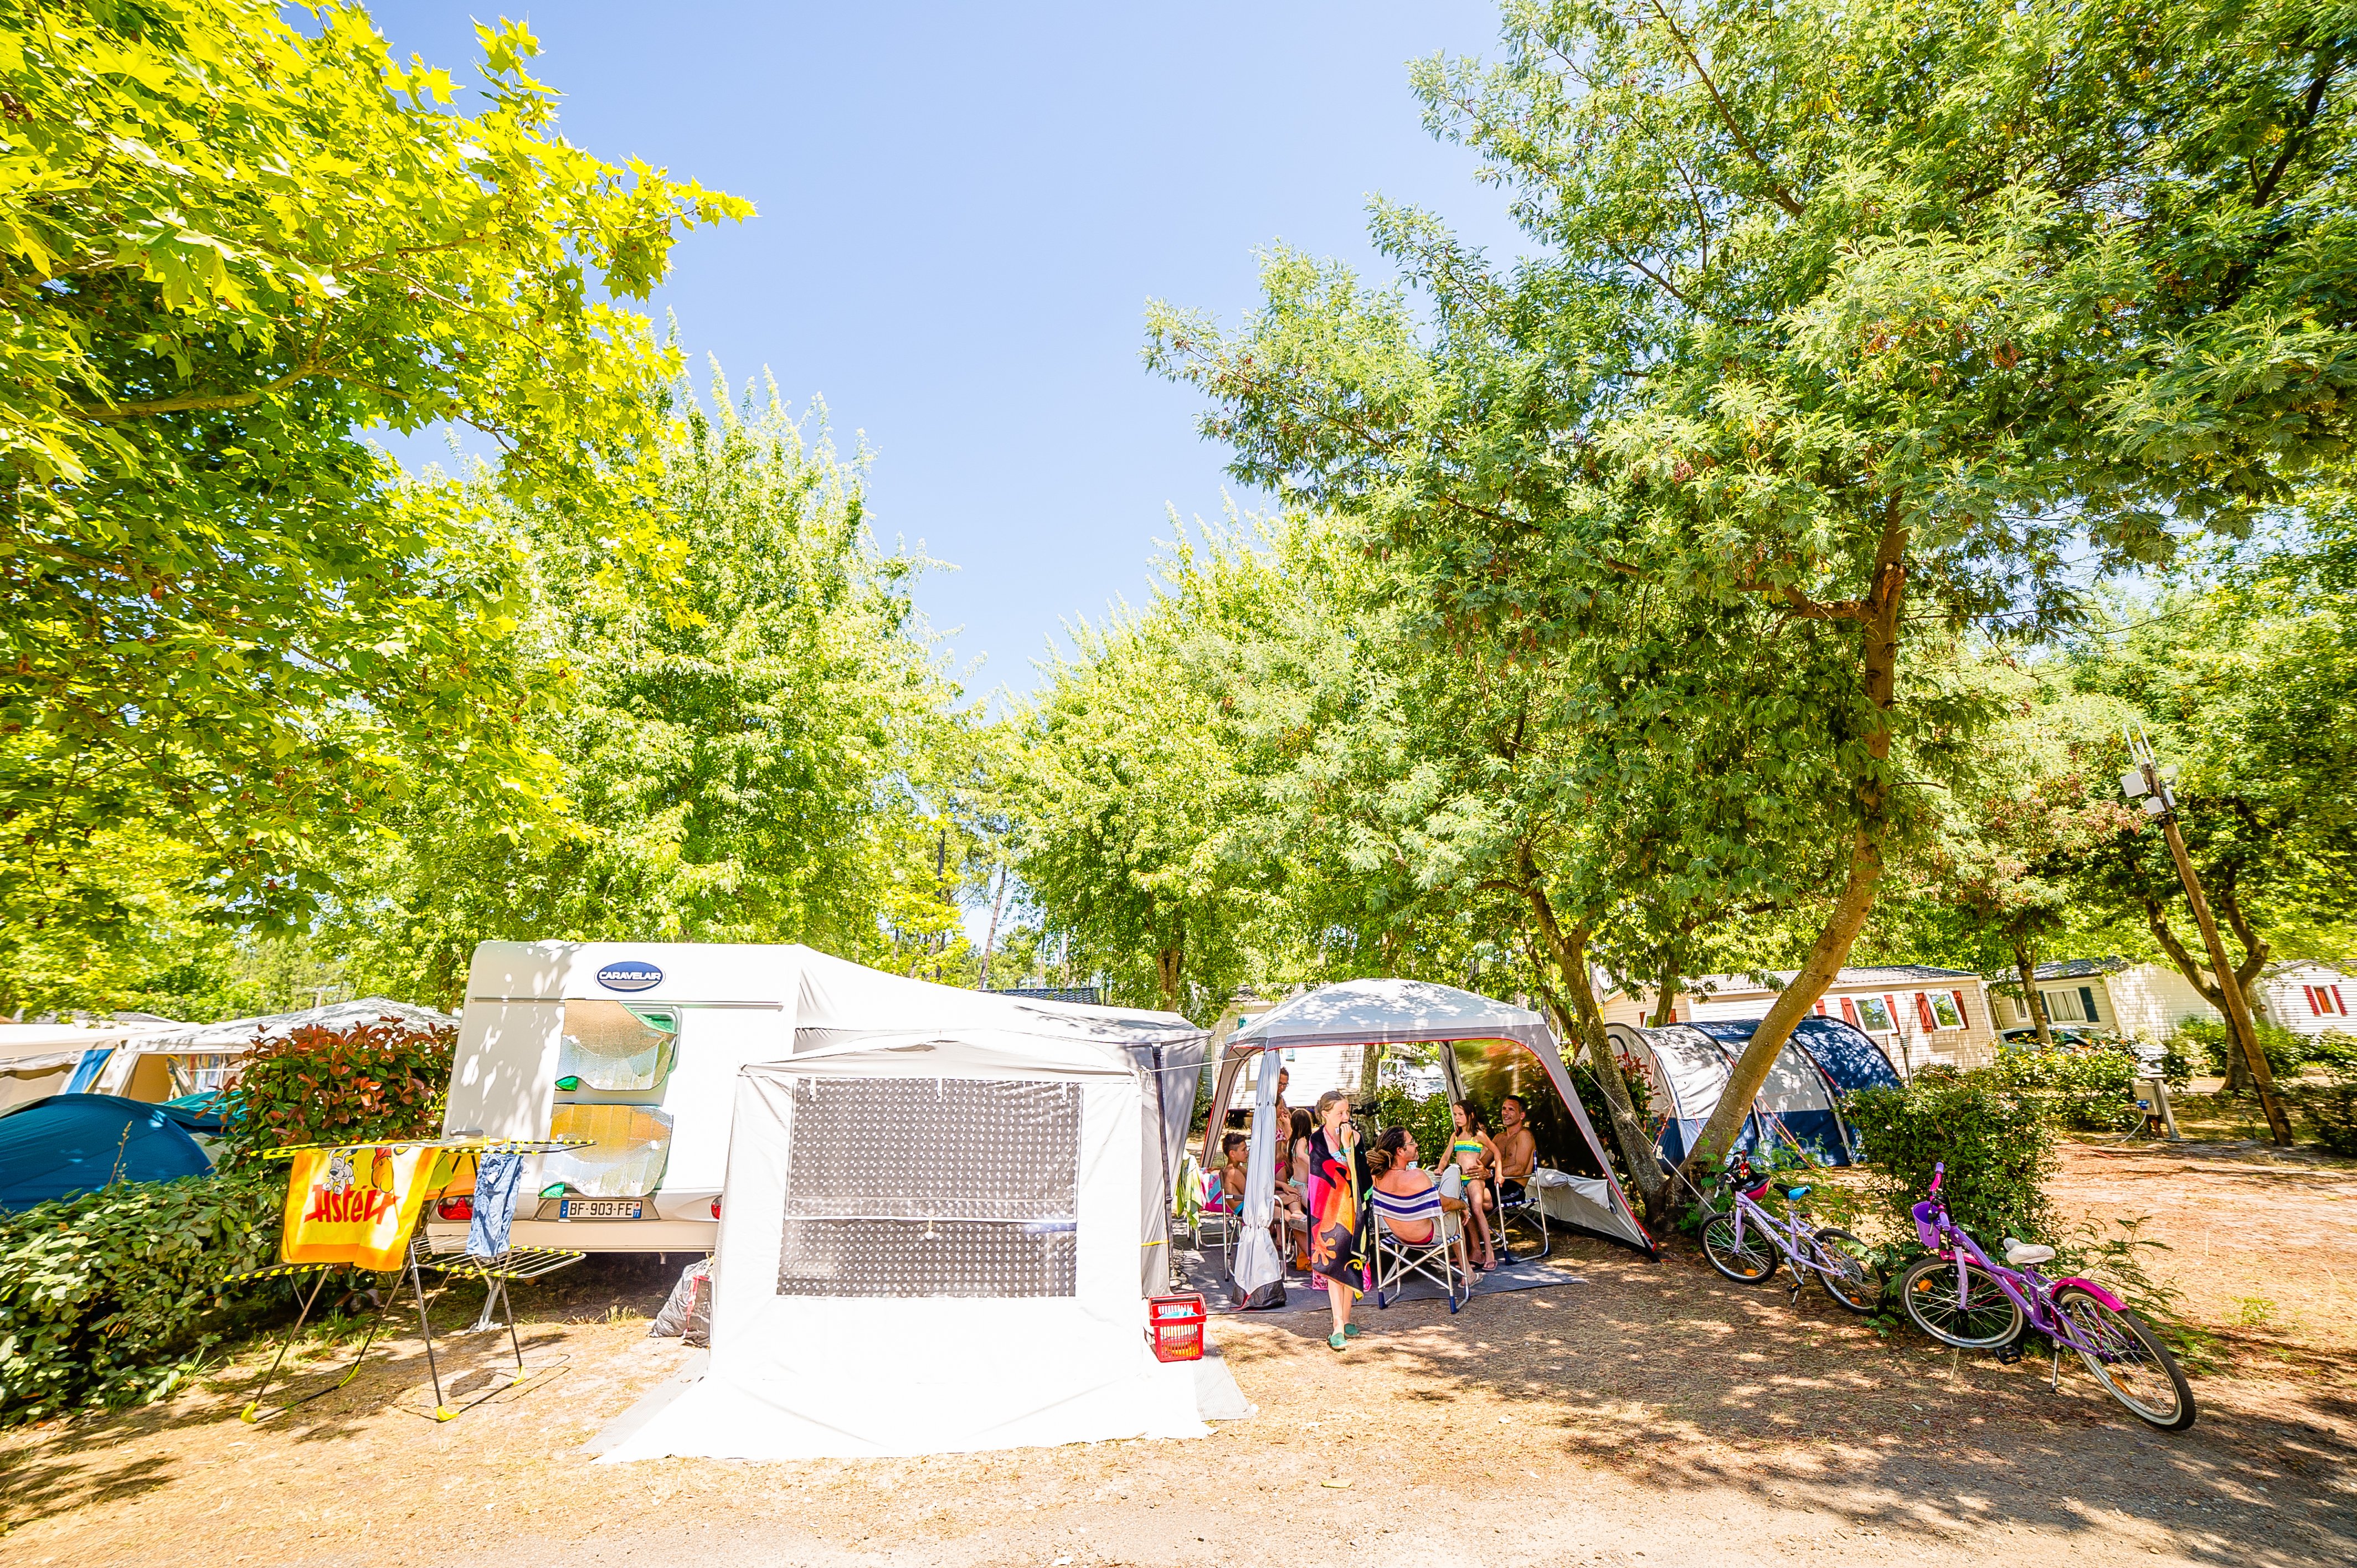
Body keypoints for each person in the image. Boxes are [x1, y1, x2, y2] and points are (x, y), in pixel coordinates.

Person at [1305, 1089, 1368, 1352]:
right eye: (1340, 1113)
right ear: (1325, 1114)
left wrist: (1349, 1143)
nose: (1346, 1117)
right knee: (1333, 1266)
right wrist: (1342, 1146)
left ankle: (1347, 1318)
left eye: (1347, 1112)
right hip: (1328, 1211)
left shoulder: (1355, 1137)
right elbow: (1321, 1171)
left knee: (1351, 1262)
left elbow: (1362, 1173)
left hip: (1353, 1208)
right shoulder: (1317, 1139)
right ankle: (1337, 1326)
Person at [1449, 1100, 1499, 1270]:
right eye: (1455, 1115)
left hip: (1476, 1179)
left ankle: (1490, 1251)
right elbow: (1448, 1154)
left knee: (1477, 1210)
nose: (1457, 1118)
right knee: (1466, 1210)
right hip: (1462, 1178)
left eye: (1460, 1115)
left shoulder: (1478, 1136)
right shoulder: (1457, 1136)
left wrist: (1496, 1173)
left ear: (1470, 1116)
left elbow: (1496, 1151)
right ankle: (1475, 1252)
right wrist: (1442, 1168)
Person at [1494, 1094, 1537, 1209]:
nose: (1505, 1113)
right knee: (1466, 1192)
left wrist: (1492, 1173)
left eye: (1511, 1110)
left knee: (1475, 1198)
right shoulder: (1499, 1138)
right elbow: (1483, 1162)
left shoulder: (1524, 1135)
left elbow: (1519, 1169)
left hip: (1513, 1188)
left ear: (1522, 1115)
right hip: (1495, 1182)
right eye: (1504, 1109)